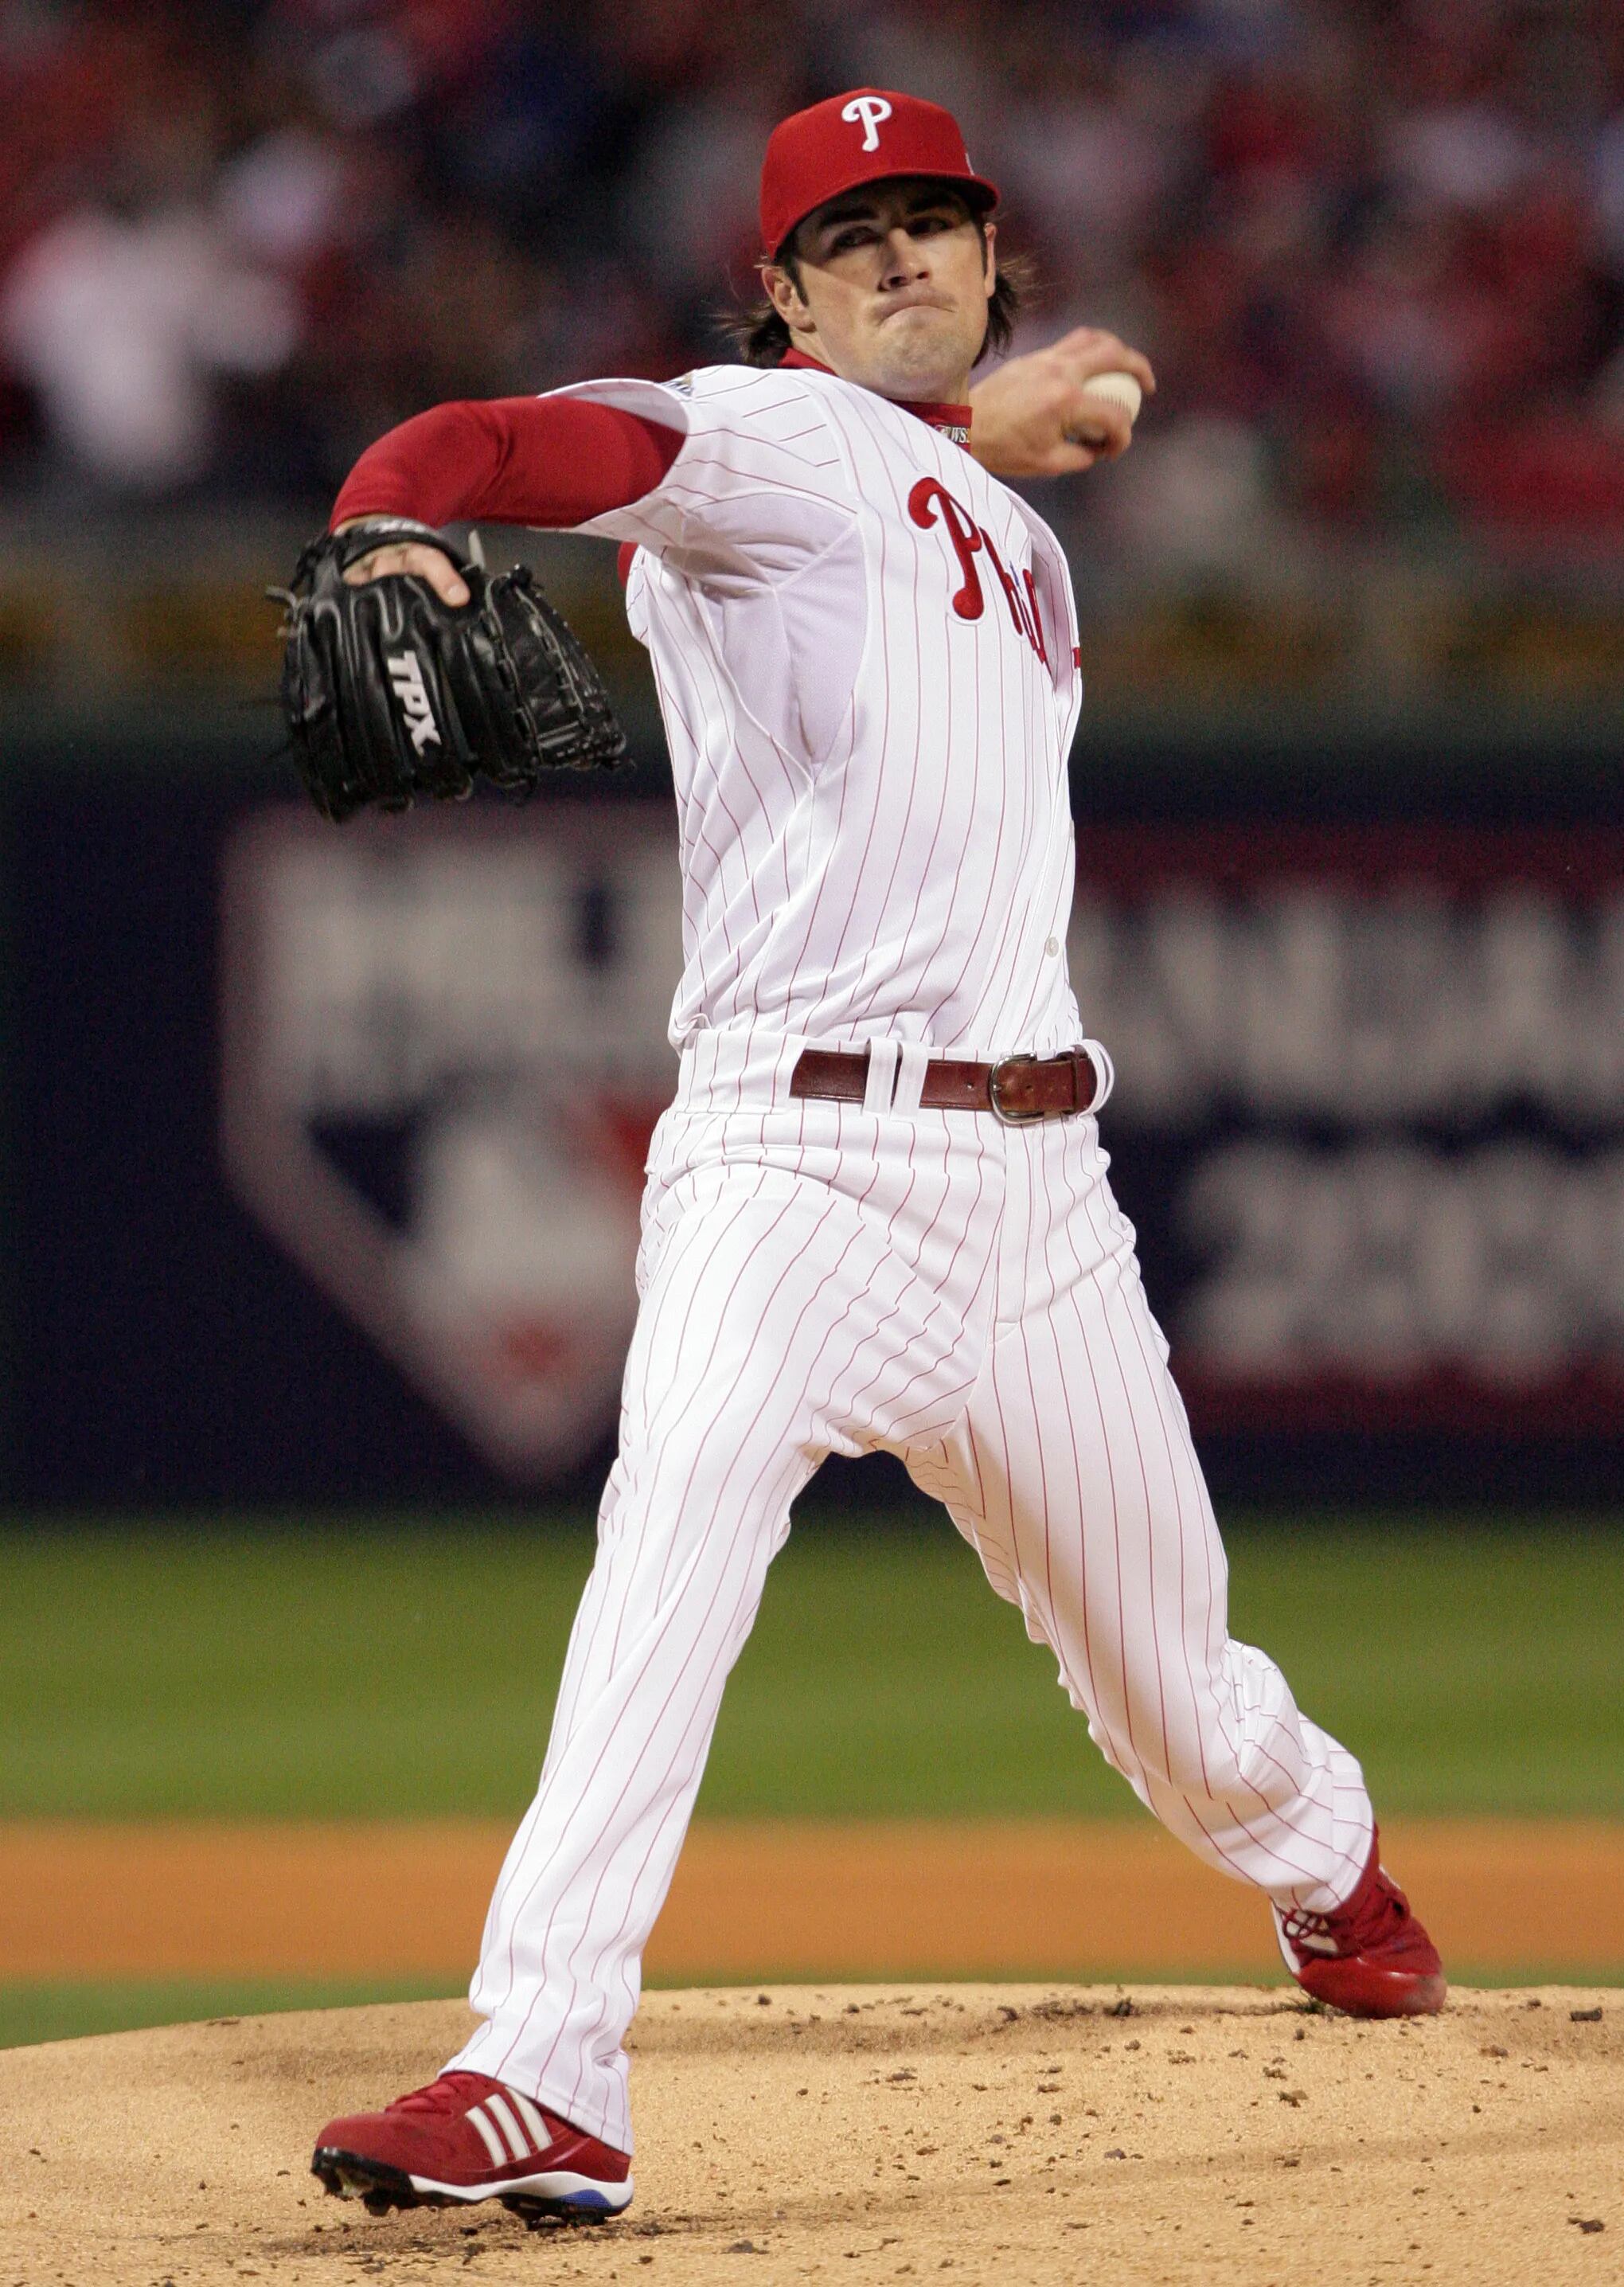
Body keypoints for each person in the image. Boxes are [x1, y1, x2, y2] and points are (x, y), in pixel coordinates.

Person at [309, 88, 1443, 2229]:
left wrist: (1011, 417)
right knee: (671, 1549)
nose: (907, 254)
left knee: (1187, 1703)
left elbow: (930, 463)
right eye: (856, 237)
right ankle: (540, 2066)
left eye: (940, 222)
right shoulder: (758, 435)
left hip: (1041, 1205)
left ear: (994, 260)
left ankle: (1328, 1871)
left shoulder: (985, 504)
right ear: (782, 296)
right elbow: (512, 443)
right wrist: (392, 512)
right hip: (789, 1171)